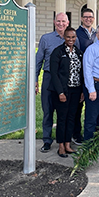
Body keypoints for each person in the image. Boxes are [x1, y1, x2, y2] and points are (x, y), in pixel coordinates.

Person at [35, 12, 78, 153]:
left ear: (68, 23)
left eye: (64, 21)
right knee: (48, 110)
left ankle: (65, 140)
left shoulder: (73, 39)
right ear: (54, 22)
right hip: (49, 78)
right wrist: (35, 80)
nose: (61, 24)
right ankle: (47, 140)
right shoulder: (46, 39)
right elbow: (38, 61)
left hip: (67, 80)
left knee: (64, 113)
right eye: (58, 21)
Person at [49, 27, 83, 158]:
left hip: (76, 90)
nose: (71, 39)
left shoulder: (78, 53)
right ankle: (61, 146)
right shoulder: (57, 52)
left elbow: (81, 73)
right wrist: (60, 92)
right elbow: (54, 74)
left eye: (73, 37)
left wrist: (81, 91)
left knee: (71, 118)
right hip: (62, 91)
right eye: (68, 37)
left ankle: (68, 144)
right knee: (62, 118)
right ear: (64, 37)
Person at [72, 7, 96, 144]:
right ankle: (76, 134)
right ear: (81, 18)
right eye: (86, 17)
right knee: (78, 107)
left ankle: (91, 134)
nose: (88, 19)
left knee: (92, 108)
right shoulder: (77, 34)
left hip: (95, 77)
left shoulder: (96, 34)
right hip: (80, 76)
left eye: (90, 17)